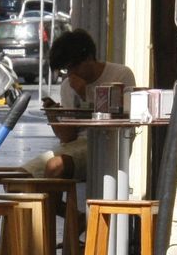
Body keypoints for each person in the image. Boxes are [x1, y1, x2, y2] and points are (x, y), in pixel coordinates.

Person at [26, 28, 137, 179]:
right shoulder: (67, 86)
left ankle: (54, 203)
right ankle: (52, 203)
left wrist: (86, 93)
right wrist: (53, 116)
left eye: (75, 66)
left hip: (109, 143)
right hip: (76, 145)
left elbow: (122, 120)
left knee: (55, 166)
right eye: (67, 69)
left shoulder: (121, 74)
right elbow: (68, 138)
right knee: (23, 173)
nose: (72, 73)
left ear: (89, 57)